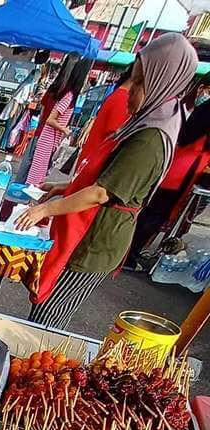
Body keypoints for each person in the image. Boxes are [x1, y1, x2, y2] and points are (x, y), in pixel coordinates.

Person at [16, 33, 198, 329]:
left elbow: (103, 193)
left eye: (140, 83)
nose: (131, 91)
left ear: (164, 83)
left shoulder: (151, 137)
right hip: (92, 230)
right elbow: (114, 181)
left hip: (96, 242)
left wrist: (45, 210)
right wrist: (65, 186)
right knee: (44, 310)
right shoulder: (151, 120)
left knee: (47, 318)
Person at [127, 95, 210, 264]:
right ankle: (129, 253)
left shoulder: (202, 110)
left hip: (177, 164)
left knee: (151, 212)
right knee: (155, 214)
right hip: (186, 170)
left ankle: (131, 250)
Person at [25, 59, 92, 185]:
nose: (87, 79)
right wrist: (64, 129)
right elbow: (50, 119)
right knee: (35, 179)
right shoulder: (69, 96)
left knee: (38, 177)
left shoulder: (69, 95)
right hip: (47, 140)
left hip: (49, 140)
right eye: (86, 75)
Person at [78, 68, 132, 165]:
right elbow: (112, 139)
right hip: (93, 165)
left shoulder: (118, 94)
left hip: (88, 161)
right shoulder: (124, 100)